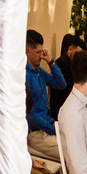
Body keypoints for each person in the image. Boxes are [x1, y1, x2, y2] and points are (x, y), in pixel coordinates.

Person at [24, 29, 65, 160]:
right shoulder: (24, 75)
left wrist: (51, 62)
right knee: (70, 154)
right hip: (37, 133)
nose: (41, 56)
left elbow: (61, 84)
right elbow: (29, 113)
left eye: (42, 52)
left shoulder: (39, 72)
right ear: (27, 51)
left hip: (48, 127)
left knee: (77, 148)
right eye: (37, 52)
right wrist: (52, 129)